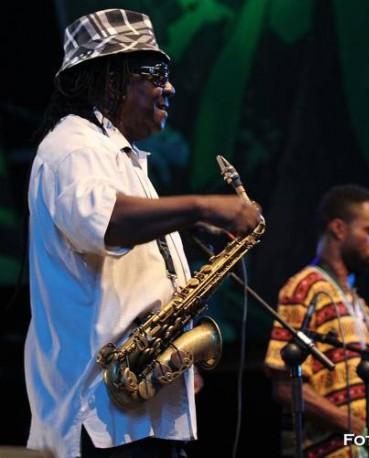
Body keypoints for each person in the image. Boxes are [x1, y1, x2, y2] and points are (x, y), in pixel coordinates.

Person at [25, 9, 261, 458]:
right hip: (100, 420)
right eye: (155, 73)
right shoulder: (73, 146)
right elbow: (108, 221)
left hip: (139, 413)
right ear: (108, 76)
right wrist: (200, 206)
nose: (169, 87)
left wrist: (172, 360)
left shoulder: (121, 156)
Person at [264, 184, 369, 457]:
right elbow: (285, 388)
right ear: (339, 229)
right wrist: (365, 429)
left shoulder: (359, 304)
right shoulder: (305, 288)